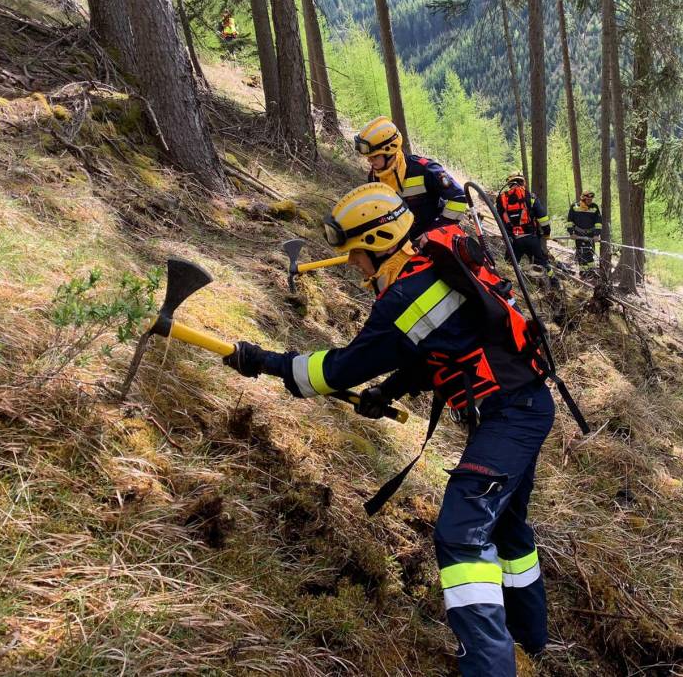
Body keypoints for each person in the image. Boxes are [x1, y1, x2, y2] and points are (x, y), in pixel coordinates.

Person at [222, 183, 555, 676]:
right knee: (505, 525)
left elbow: (337, 370)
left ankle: (491, 667)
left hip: (511, 413)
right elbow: (440, 346)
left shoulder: (403, 296)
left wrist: (264, 362)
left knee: (461, 535)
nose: (353, 265)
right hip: (520, 404)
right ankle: (531, 642)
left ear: (377, 244)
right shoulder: (425, 270)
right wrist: (392, 391)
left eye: (355, 254)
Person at [354, 116, 467, 240]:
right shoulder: (375, 177)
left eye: (374, 156)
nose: (369, 160)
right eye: (368, 157)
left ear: (389, 150)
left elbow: (458, 199)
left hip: (435, 242)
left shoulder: (424, 169)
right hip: (403, 245)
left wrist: (435, 232)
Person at [495, 173, 557, 287]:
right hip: (531, 238)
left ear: (509, 184)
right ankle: (554, 285)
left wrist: (508, 235)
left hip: (514, 240)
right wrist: (547, 233)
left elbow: (500, 219)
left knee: (509, 265)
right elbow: (542, 217)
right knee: (542, 263)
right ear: (522, 182)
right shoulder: (530, 196)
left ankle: (508, 288)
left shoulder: (501, 199)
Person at [566, 191, 602, 273]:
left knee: (590, 252)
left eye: (591, 199)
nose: (590, 201)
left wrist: (597, 234)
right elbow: (569, 221)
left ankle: (591, 271)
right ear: (583, 198)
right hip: (578, 234)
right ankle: (583, 272)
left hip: (591, 234)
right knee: (581, 252)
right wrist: (571, 233)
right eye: (588, 199)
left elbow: (598, 222)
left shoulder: (594, 207)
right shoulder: (575, 206)